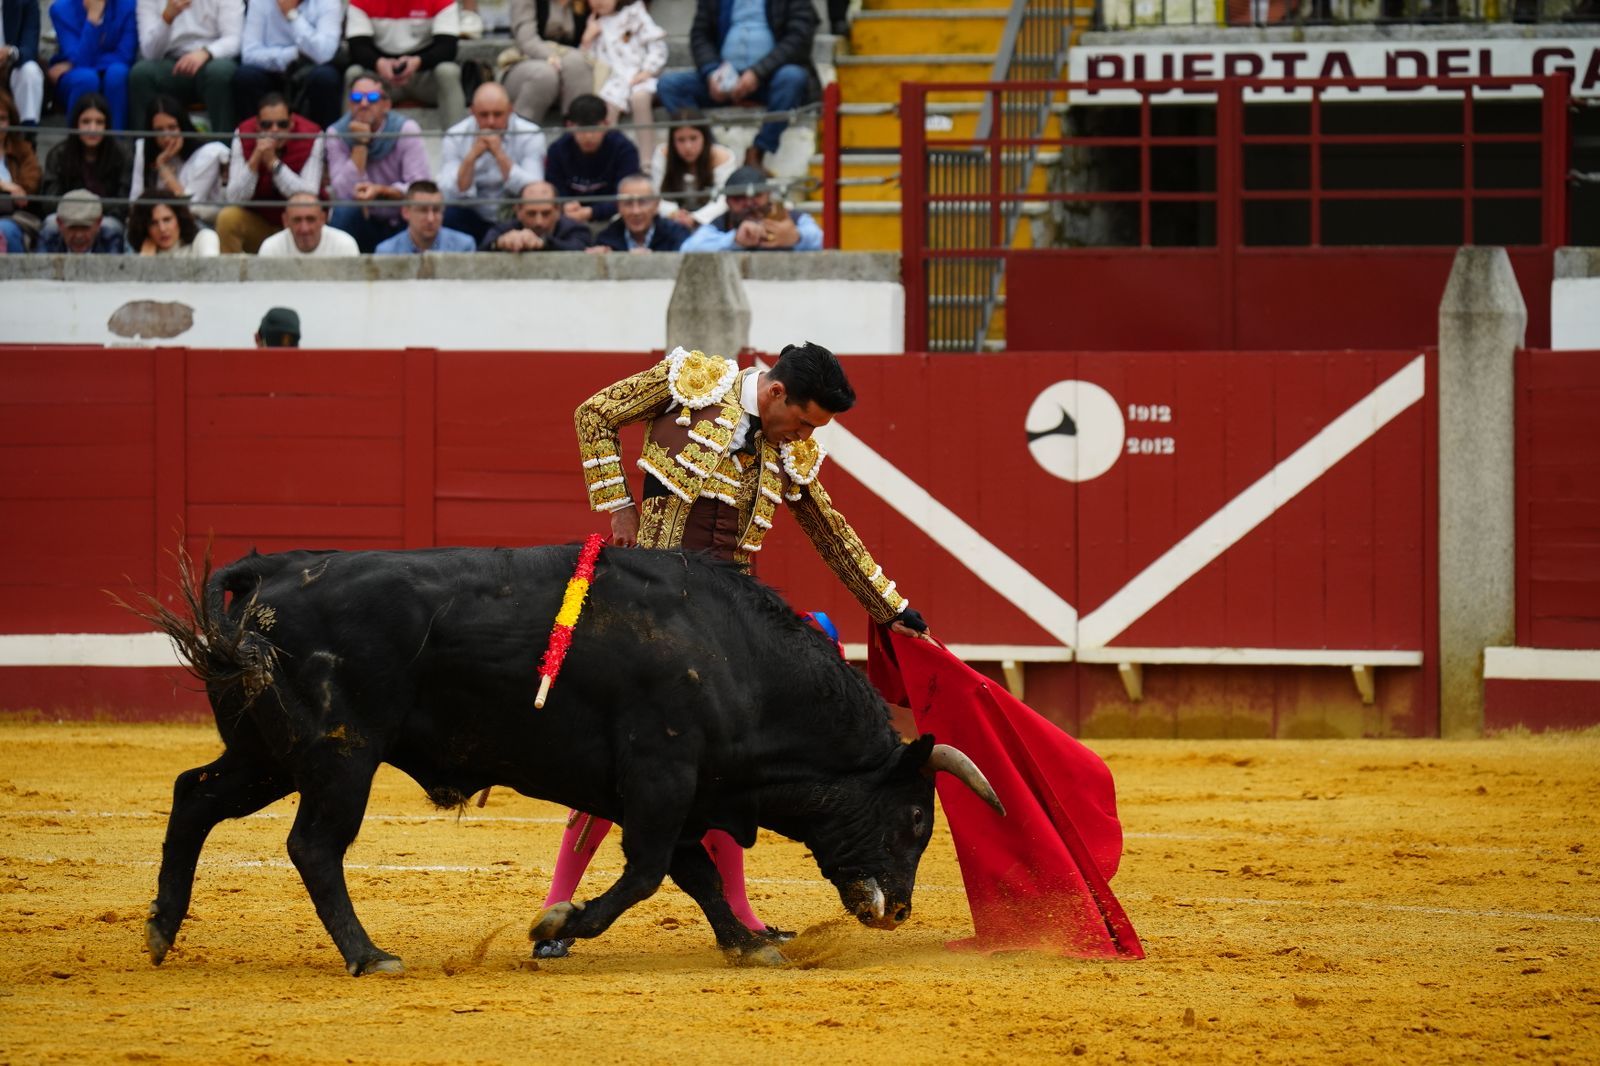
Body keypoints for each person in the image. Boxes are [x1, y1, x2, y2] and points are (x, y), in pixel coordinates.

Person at [536, 341, 929, 959]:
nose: (803, 435)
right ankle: (555, 903)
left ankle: (740, 913)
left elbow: (830, 531)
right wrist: (618, 506)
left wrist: (892, 608)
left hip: (730, 625)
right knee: (624, 760)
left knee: (731, 768)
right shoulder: (689, 382)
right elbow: (594, 414)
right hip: (651, 607)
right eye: (802, 420)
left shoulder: (790, 446)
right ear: (775, 392)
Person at [656, 0, 818, 172]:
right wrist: (712, 73)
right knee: (669, 85)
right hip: (723, 80)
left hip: (770, 79)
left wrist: (758, 72)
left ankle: (757, 152)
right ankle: (713, 153)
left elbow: (799, 39)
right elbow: (700, 36)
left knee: (792, 77)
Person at [325, 73, 429, 251]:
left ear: (386, 104)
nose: (364, 104)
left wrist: (381, 191)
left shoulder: (405, 130)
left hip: (401, 220)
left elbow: (419, 187)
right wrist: (360, 145)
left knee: (427, 213)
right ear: (350, 104)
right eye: (357, 98)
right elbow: (343, 192)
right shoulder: (337, 133)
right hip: (363, 220)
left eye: (372, 98)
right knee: (343, 212)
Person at [437, 80, 544, 244]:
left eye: (498, 114)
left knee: (539, 212)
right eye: (484, 115)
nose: (491, 122)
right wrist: (471, 156)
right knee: (448, 214)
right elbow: (448, 193)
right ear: (472, 112)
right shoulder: (455, 135)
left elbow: (534, 189)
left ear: (510, 110)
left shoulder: (530, 134)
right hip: (472, 214)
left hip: (514, 216)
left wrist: (499, 154)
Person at [216, 90, 323, 252]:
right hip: (259, 223)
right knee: (227, 217)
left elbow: (309, 195)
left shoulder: (313, 134)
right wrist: (256, 158)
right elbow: (234, 197)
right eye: (267, 125)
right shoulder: (243, 133)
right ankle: (231, 276)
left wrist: (274, 163)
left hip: (300, 227)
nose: (274, 130)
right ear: (257, 125)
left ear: (292, 123)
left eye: (282, 124)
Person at [343, 0, 464, 130]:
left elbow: (448, 48)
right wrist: (379, 64)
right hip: (381, 80)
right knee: (354, 73)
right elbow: (357, 48)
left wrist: (418, 62)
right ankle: (348, 140)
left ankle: (456, 140)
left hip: (424, 76)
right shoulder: (360, 2)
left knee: (448, 71)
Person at [130, 0, 244, 137]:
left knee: (219, 73)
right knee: (141, 74)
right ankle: (144, 150)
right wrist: (167, 18)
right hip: (170, 60)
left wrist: (206, 52)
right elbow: (150, 52)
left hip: (213, 57)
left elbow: (234, 39)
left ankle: (224, 148)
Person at [233, 0, 341, 129]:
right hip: (271, 70)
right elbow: (249, 54)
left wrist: (292, 15)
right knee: (245, 77)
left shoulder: (328, 2)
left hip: (309, 70)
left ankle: (324, 144)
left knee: (325, 77)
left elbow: (325, 53)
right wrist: (294, 54)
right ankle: (251, 142)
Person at [579, 0, 665, 160]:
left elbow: (657, 46)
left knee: (640, 99)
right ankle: (608, 161)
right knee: (605, 108)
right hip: (613, 82)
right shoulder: (595, 24)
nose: (598, 2)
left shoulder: (635, 13)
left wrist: (648, 70)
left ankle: (647, 161)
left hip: (640, 76)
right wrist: (587, 39)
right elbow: (588, 62)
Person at [128, 95, 228, 220]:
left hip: (198, 222)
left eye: (172, 128)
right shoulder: (143, 149)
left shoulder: (208, 153)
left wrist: (163, 168)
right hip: (155, 223)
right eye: (159, 130)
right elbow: (135, 202)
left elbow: (189, 207)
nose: (166, 136)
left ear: (183, 126)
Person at [680, 164, 820, 251]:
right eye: (739, 198)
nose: (749, 203)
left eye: (757, 196)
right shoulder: (721, 223)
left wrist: (796, 237)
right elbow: (688, 248)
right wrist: (734, 240)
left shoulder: (792, 217)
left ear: (768, 195)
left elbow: (822, 240)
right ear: (727, 201)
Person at [544, 92, 636, 224]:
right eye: (582, 129)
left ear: (606, 124)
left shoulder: (624, 149)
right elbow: (554, 189)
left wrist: (591, 212)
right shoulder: (557, 150)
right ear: (570, 126)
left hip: (615, 219)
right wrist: (565, 205)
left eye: (593, 129)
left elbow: (627, 194)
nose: (588, 137)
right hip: (568, 218)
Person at [47, 0, 138, 131]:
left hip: (108, 70)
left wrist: (72, 64)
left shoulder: (128, 5)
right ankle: (76, 144)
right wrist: (93, 18)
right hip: (76, 77)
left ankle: (117, 143)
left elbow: (125, 55)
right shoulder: (61, 9)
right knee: (86, 78)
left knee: (117, 74)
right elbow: (80, 60)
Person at [41, 92, 131, 221]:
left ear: (107, 126)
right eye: (86, 122)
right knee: (50, 223)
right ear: (76, 124)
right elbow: (49, 202)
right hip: (67, 217)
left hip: (106, 218)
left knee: (111, 226)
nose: (92, 129)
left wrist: (91, 209)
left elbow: (124, 202)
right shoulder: (58, 154)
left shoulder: (123, 154)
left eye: (99, 122)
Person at [501, 0, 591, 125]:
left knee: (577, 63)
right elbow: (526, 40)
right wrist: (551, 57)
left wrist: (589, 38)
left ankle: (577, 132)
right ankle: (522, 135)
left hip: (569, 69)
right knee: (545, 74)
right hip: (526, 62)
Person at [651, 109, 734, 230]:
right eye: (681, 140)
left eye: (693, 138)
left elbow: (724, 199)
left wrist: (696, 218)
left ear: (705, 138)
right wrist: (674, 213)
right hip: (672, 219)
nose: (688, 147)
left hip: (711, 221)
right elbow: (654, 195)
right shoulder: (663, 154)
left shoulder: (722, 157)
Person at [478, 179, 589, 251]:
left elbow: (579, 248)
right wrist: (500, 243)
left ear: (557, 210)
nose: (538, 222)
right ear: (518, 211)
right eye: (531, 214)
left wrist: (543, 243)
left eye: (546, 213)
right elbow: (483, 248)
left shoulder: (576, 229)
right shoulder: (504, 229)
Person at [586, 172, 685, 253]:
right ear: (618, 206)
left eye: (642, 202)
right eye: (628, 203)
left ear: (656, 205)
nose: (635, 211)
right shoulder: (606, 239)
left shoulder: (676, 235)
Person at [375, 178, 474, 253]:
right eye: (423, 210)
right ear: (405, 212)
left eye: (436, 210)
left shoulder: (464, 247)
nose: (430, 219)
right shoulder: (386, 252)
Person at [256, 189, 358, 255]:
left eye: (311, 219)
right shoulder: (271, 249)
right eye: (297, 220)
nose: (304, 228)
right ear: (285, 221)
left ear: (323, 219)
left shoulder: (344, 245)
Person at [0, 88, 40, 251]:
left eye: (2, 119)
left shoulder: (23, 150)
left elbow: (29, 186)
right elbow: (14, 193)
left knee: (5, 230)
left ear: (10, 122)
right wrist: (4, 186)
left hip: (14, 218)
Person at [35, 187, 127, 251]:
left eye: (85, 228)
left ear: (98, 223)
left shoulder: (110, 239)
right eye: (72, 228)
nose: (79, 235)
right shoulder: (49, 238)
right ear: (59, 224)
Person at [127, 194, 218, 253]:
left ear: (179, 219)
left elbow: (211, 276)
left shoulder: (203, 239)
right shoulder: (145, 254)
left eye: (167, 220)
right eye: (153, 223)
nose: (162, 228)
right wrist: (145, 262)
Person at [3, 0, 45, 128]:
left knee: (30, 71)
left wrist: (10, 52)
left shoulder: (26, 2)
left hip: (10, 65)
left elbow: (29, 49)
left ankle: (27, 136)